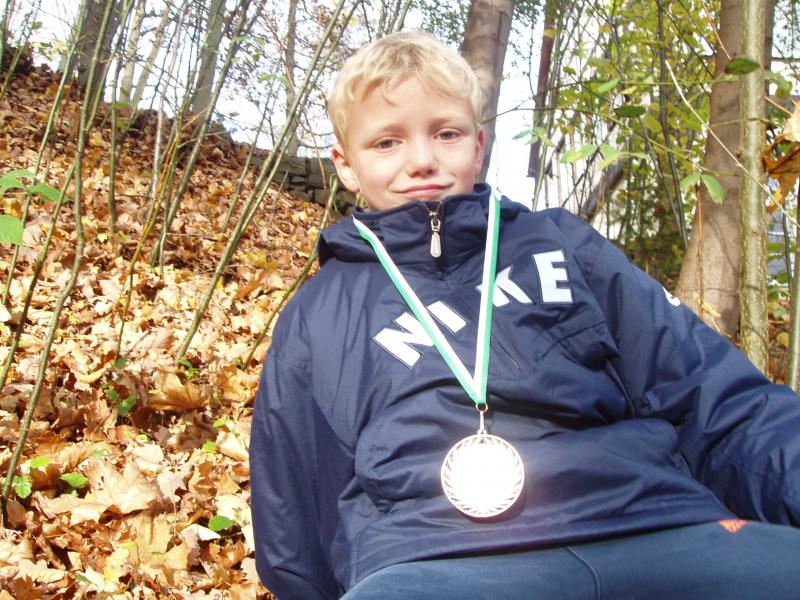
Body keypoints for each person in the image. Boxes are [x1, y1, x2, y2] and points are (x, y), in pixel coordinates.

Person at [249, 30, 800, 599]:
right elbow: (294, 521)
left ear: (478, 145)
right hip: (432, 557)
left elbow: (719, 401)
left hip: (651, 521)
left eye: (446, 133)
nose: (422, 160)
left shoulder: (567, 247)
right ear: (345, 164)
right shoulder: (317, 316)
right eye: (387, 142)